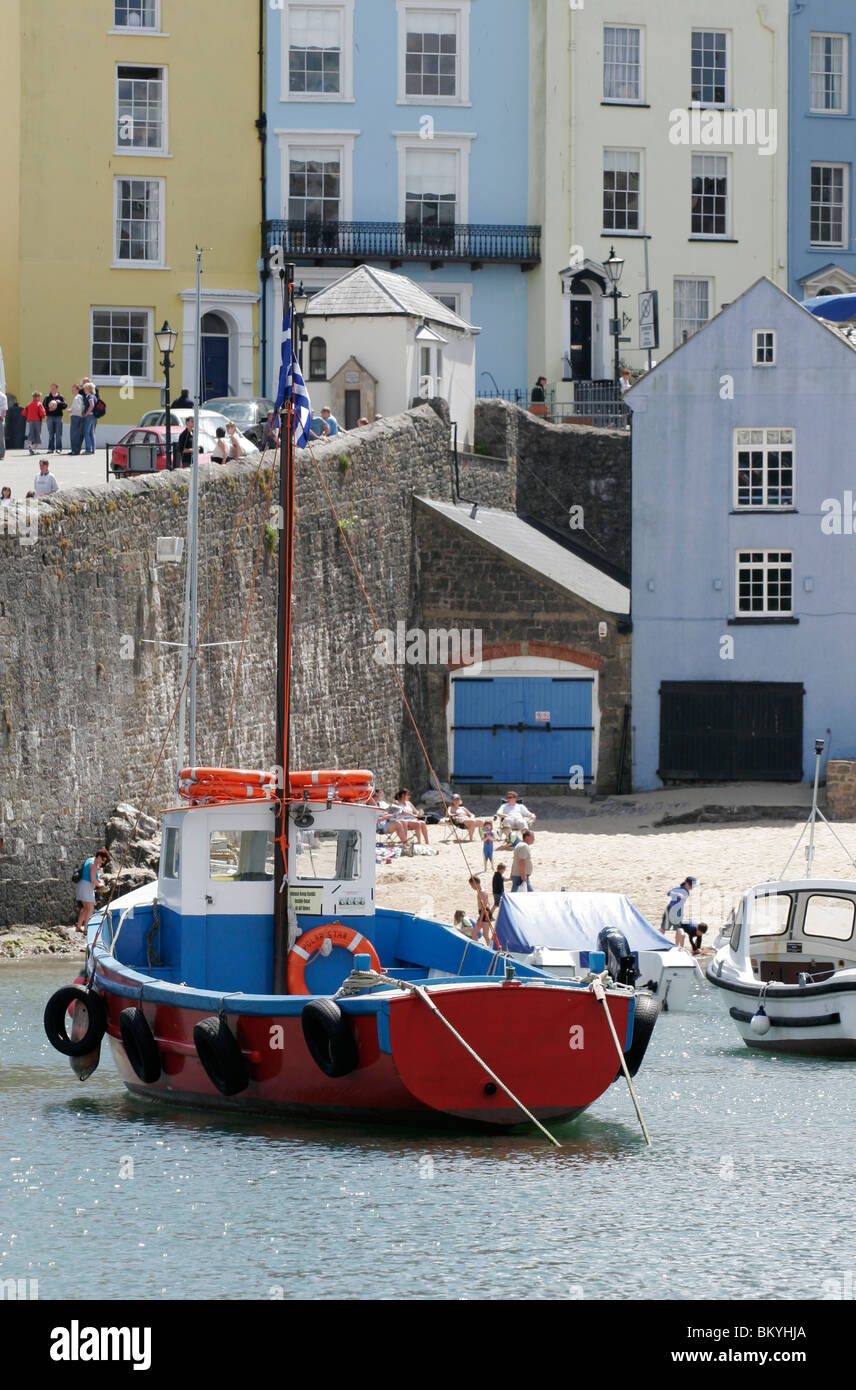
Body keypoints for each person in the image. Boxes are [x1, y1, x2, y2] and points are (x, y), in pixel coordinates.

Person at [661, 876, 708, 954]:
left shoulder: (687, 891)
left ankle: (678, 947)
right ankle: (656, 941)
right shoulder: (679, 888)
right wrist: (677, 894)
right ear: (686, 883)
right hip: (671, 910)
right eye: (691, 886)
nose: (691, 888)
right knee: (663, 929)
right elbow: (669, 893)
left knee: (678, 929)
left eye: (693, 886)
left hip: (678, 912)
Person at [74, 848, 111, 933]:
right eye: (103, 859)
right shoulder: (93, 865)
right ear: (98, 856)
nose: (103, 862)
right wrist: (101, 885)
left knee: (85, 908)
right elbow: (93, 880)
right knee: (91, 908)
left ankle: (78, 926)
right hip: (87, 887)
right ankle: (86, 929)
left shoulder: (89, 860)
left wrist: (97, 882)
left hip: (81, 885)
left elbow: (89, 876)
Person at [468, 874, 494, 947]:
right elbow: (488, 903)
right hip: (485, 913)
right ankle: (489, 948)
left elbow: (484, 907)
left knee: (475, 933)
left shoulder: (482, 892)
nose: (472, 887)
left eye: (471, 885)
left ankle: (478, 947)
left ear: (474, 883)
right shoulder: (481, 890)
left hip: (484, 913)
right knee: (485, 934)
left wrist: (480, 919)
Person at [44, 383, 67, 453]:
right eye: (51, 388)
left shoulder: (60, 397)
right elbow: (44, 406)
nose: (52, 389)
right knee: (51, 433)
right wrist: (48, 410)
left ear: (57, 388)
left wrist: (60, 402)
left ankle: (58, 448)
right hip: (50, 417)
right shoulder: (47, 397)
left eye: (54, 388)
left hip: (58, 417)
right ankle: (50, 448)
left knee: (58, 434)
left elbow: (65, 405)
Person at [81, 380, 97, 455]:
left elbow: (92, 405)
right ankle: (92, 449)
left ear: (89, 389)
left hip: (89, 415)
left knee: (86, 432)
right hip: (93, 416)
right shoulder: (94, 396)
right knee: (91, 433)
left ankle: (88, 449)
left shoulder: (89, 396)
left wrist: (86, 414)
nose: (84, 390)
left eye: (85, 388)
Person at [68, 384, 84, 455]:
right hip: (79, 416)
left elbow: (77, 409)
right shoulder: (80, 397)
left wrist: (70, 410)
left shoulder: (77, 398)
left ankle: (74, 450)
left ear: (77, 390)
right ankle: (76, 450)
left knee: (73, 434)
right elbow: (82, 408)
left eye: (74, 390)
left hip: (75, 416)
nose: (72, 391)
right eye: (72, 389)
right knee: (76, 434)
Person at [0, 385, 7, 460]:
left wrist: (2, 417)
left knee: (0, 437)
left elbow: (4, 409)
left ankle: (1, 454)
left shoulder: (2, 396)